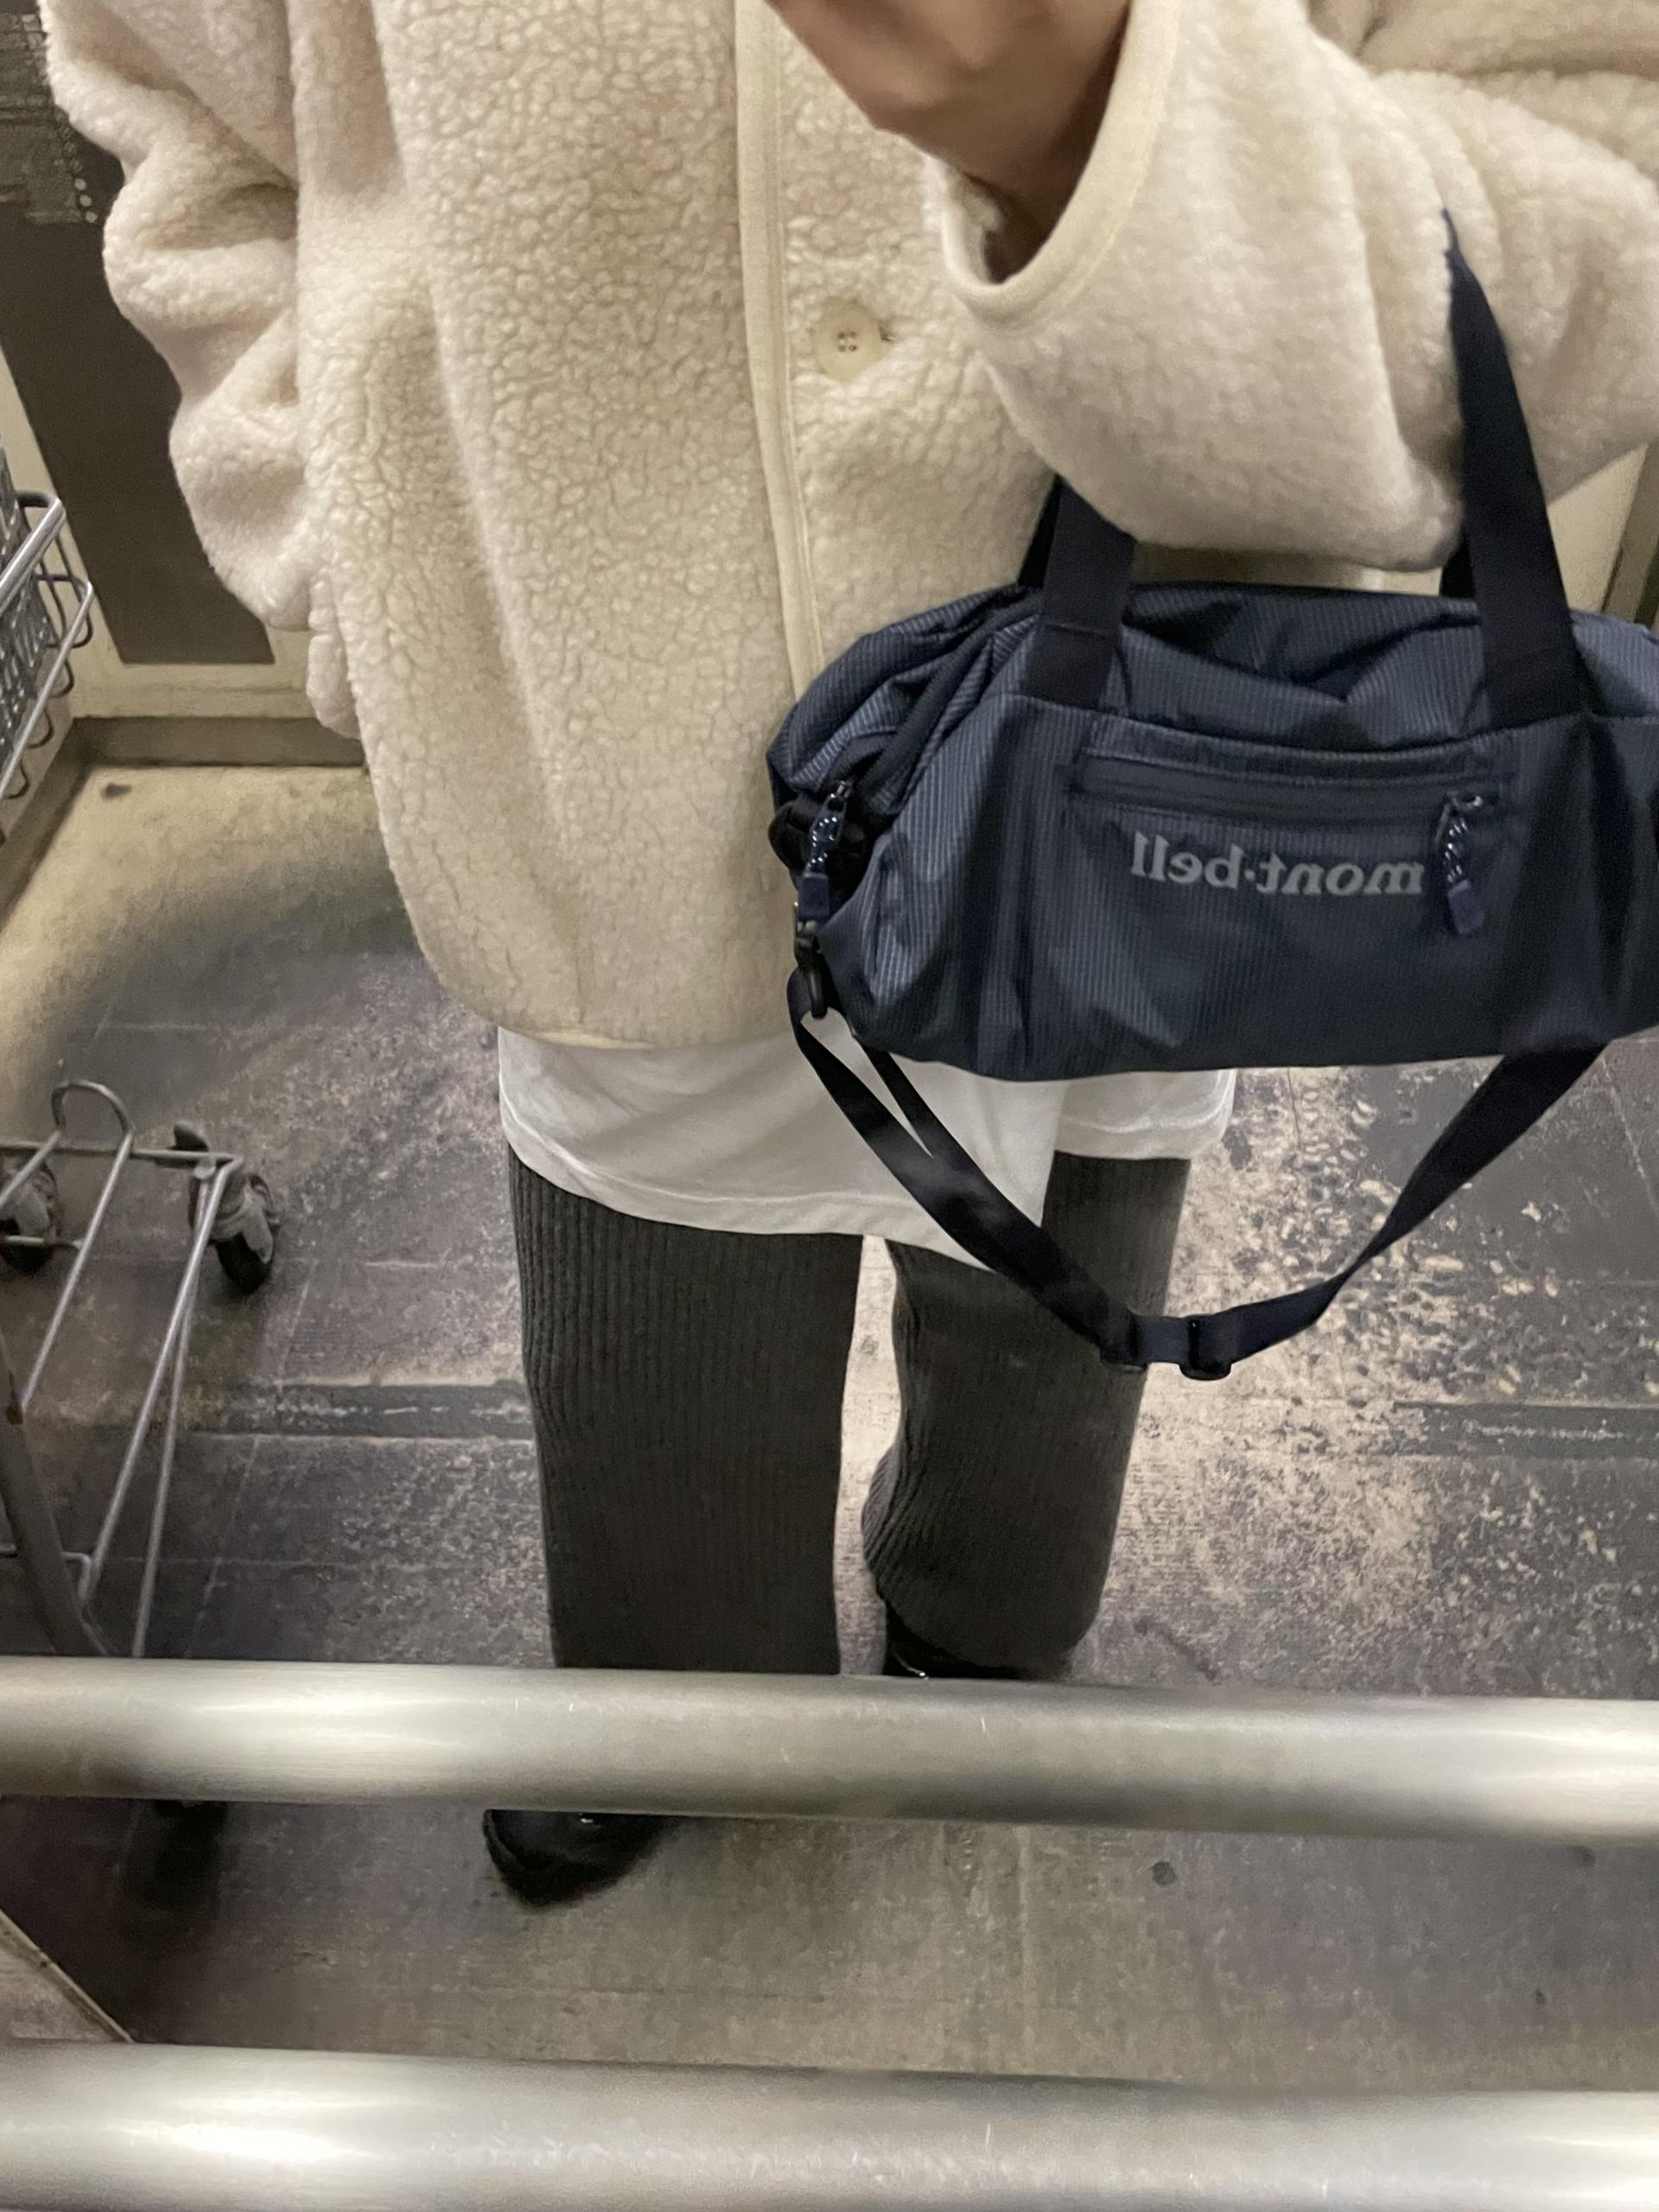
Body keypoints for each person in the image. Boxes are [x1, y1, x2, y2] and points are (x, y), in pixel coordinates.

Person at [42, 0, 1659, 1903]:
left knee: (1061, 1280)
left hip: (1140, 751)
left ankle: (982, 1650)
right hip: (593, 747)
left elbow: (1596, 180)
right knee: (651, 1308)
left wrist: (1108, 143)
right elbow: (185, 109)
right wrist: (362, 574)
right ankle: (670, 1711)